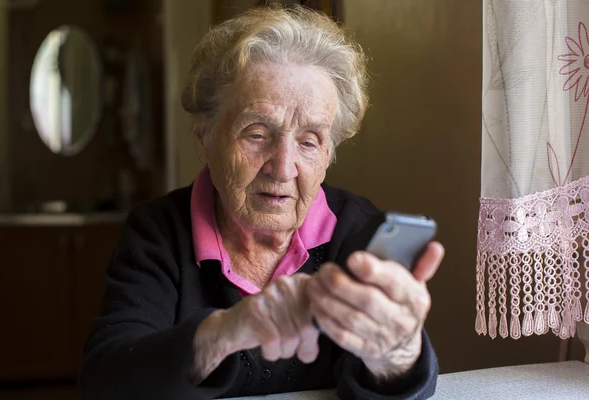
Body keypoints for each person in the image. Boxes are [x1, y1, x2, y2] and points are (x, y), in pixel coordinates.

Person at [80, 5, 445, 400]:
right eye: (256, 134)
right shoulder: (159, 232)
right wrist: (227, 331)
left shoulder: (355, 231)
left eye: (309, 142)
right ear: (204, 137)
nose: (283, 167)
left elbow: (385, 384)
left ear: (328, 155)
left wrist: (398, 353)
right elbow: (106, 379)